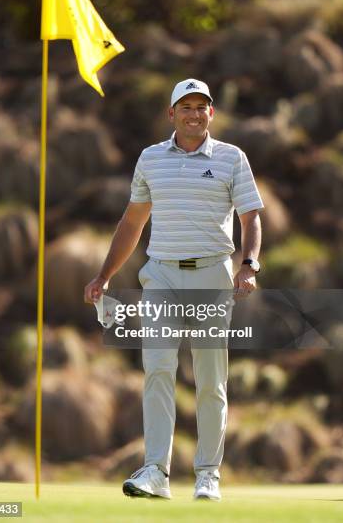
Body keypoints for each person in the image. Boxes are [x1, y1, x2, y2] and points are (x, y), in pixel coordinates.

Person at [84, 78, 264, 501]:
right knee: (158, 369)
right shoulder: (150, 159)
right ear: (171, 114)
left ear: (211, 114)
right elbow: (133, 222)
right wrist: (105, 275)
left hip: (212, 277)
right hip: (161, 274)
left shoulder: (231, 158)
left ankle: (207, 475)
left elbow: (250, 216)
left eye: (202, 107)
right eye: (186, 107)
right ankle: (155, 472)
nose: (194, 113)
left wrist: (249, 264)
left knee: (209, 378)